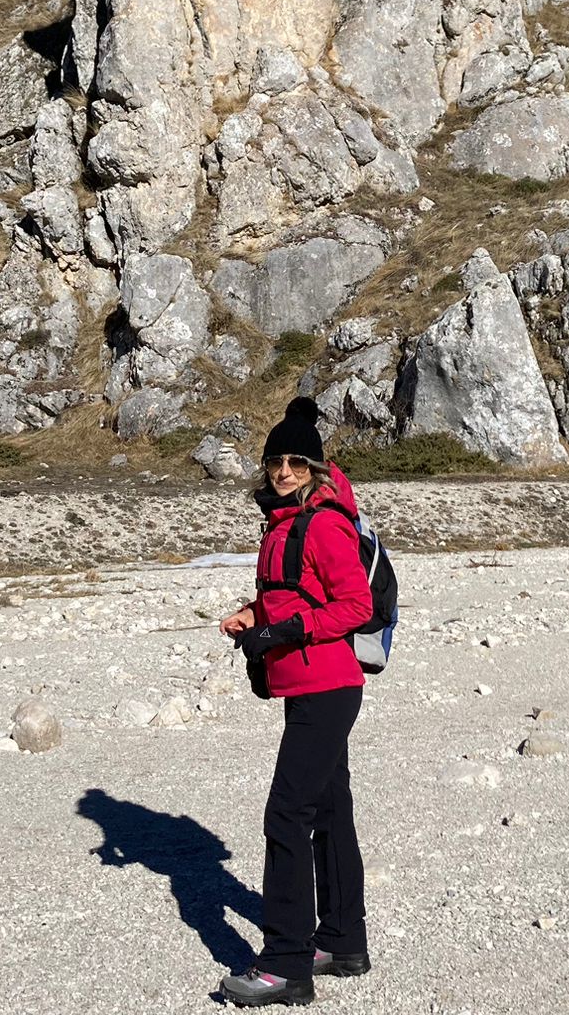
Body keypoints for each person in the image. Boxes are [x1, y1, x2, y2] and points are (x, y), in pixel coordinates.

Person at [217, 398, 374, 1007]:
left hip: (328, 688)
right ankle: (340, 940)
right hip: (307, 686)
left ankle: (285, 964)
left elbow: (355, 606)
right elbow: (290, 595)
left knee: (287, 815)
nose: (283, 470)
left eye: (295, 462)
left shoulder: (326, 523)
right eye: (275, 461)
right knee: (330, 812)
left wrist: (286, 632)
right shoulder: (282, 524)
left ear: (314, 468)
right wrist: (252, 615)